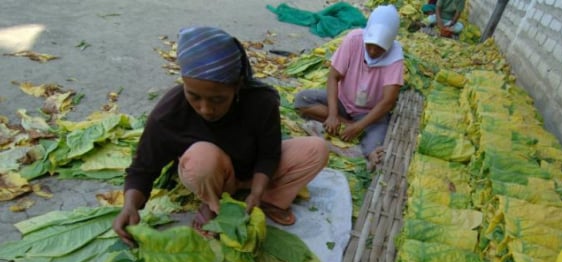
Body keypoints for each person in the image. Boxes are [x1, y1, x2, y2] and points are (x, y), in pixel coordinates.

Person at [113, 26, 329, 246]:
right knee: (201, 159)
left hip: (251, 172)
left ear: (237, 87)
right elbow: (142, 168)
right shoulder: (169, 114)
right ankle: (214, 204)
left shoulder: (261, 102)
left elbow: (269, 154)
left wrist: (257, 189)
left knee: (316, 149)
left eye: (217, 100)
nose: (205, 108)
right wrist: (130, 206)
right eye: (194, 96)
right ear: (184, 83)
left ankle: (266, 200)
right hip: (212, 175)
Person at [293, 5, 404, 170]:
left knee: (377, 146)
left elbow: (387, 102)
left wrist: (360, 125)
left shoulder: (395, 57)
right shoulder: (354, 39)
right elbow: (333, 77)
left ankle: (359, 136)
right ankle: (343, 123)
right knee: (302, 100)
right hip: (342, 103)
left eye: (380, 48)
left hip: (370, 114)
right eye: (370, 45)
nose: (373, 51)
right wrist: (332, 114)